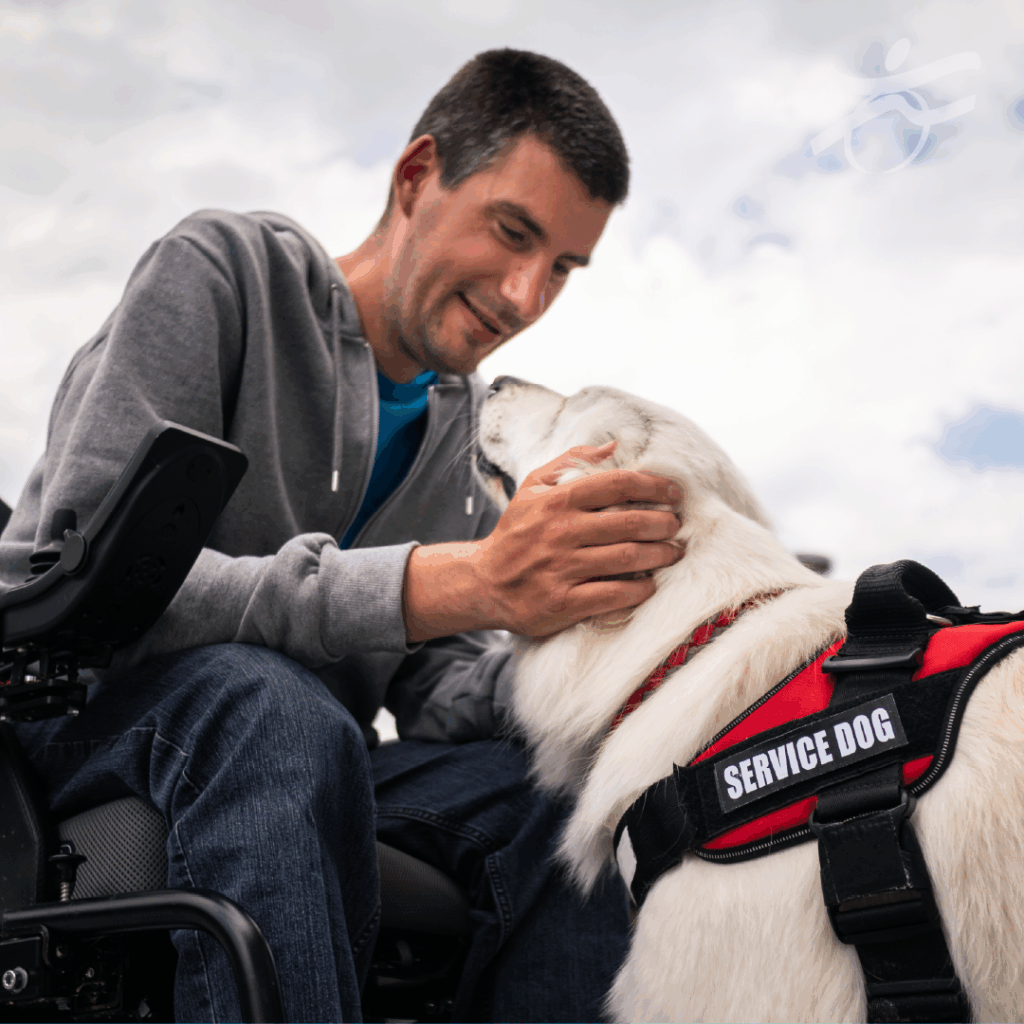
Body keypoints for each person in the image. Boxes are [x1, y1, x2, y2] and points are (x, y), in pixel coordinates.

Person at [0, 49, 683, 1022]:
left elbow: (442, 689)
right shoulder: (223, 275)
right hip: (83, 720)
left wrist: (586, 644)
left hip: (305, 753)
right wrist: (468, 578)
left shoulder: (456, 432)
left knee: (569, 799)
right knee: (273, 706)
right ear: (415, 178)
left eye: (562, 268)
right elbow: (94, 588)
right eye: (511, 231)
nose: (526, 297)